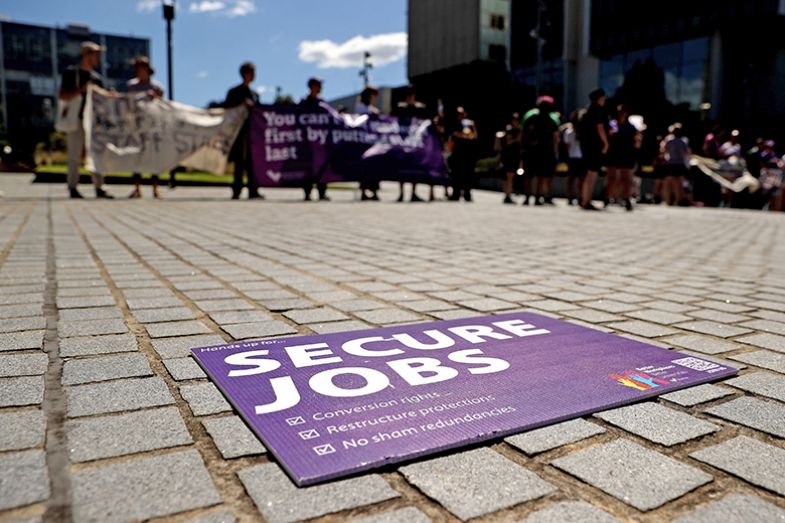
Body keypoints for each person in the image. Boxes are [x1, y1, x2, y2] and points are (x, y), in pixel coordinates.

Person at [58, 41, 114, 199]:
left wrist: (108, 96)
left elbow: (102, 103)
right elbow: (62, 95)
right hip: (75, 119)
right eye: (96, 54)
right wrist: (81, 91)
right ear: (86, 54)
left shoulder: (97, 78)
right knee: (74, 154)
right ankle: (72, 187)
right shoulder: (71, 73)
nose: (98, 57)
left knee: (97, 154)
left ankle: (99, 187)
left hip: (93, 123)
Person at [126, 56, 165, 199]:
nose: (139, 71)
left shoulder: (157, 87)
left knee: (153, 157)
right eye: (137, 68)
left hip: (153, 126)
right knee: (137, 157)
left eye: (142, 68)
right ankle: (137, 188)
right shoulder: (131, 85)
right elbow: (127, 103)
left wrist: (156, 97)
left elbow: (163, 106)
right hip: (137, 126)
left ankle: (155, 189)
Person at [224, 62, 262, 200]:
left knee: (253, 161)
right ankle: (237, 189)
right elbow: (227, 109)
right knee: (239, 160)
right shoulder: (234, 92)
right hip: (238, 131)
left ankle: (253, 190)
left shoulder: (255, 94)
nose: (253, 76)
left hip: (252, 132)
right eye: (251, 72)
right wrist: (241, 105)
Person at [392, 85, 430, 202]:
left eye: (411, 94)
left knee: (415, 168)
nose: (409, 97)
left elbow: (426, 124)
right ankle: (401, 193)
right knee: (402, 169)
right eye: (408, 95)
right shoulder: (400, 108)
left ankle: (413, 193)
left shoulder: (420, 108)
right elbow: (391, 121)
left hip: (415, 143)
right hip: (403, 142)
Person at [521, 96, 560, 205]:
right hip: (545, 151)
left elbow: (522, 133)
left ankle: (527, 196)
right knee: (540, 175)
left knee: (529, 175)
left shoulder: (530, 116)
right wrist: (555, 153)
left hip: (530, 150)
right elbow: (556, 138)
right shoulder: (552, 119)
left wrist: (522, 147)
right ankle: (538, 196)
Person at [605, 105, 641, 211]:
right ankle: (608, 197)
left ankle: (626, 198)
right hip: (613, 154)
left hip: (626, 154)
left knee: (626, 178)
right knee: (611, 177)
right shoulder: (612, 124)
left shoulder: (631, 127)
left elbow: (637, 140)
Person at [578, 88, 609, 210]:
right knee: (592, 174)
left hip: (585, 146)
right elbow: (600, 127)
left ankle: (585, 199)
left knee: (588, 174)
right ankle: (587, 200)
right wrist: (606, 143)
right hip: (595, 146)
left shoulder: (586, 111)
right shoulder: (598, 110)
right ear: (599, 98)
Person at [300, 77, 329, 201]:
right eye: (319, 85)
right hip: (307, 142)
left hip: (320, 142)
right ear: (312, 86)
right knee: (307, 167)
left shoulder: (322, 103)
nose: (321, 88)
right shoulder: (304, 102)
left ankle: (322, 192)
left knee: (322, 167)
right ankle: (307, 192)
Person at [447, 106, 479, 202]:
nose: (459, 116)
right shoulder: (454, 123)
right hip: (457, 153)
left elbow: (474, 136)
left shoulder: (470, 123)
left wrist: (464, 136)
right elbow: (453, 135)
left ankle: (467, 194)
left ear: (465, 114)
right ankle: (455, 193)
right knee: (456, 173)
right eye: (457, 114)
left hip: (468, 153)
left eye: (461, 114)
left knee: (468, 174)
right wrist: (465, 136)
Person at [356, 85, 381, 200]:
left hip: (372, 141)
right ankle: (364, 191)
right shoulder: (360, 105)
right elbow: (363, 118)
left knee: (375, 167)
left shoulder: (371, 107)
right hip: (363, 141)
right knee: (364, 168)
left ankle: (374, 191)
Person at [660, 123, 691, 206]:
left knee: (668, 182)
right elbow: (687, 153)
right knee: (679, 183)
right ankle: (678, 200)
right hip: (680, 164)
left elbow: (663, 151)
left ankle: (667, 200)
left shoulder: (669, 141)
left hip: (671, 164)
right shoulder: (683, 142)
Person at [496, 112, 522, 204]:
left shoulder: (519, 130)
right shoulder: (509, 130)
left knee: (510, 176)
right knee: (508, 176)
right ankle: (507, 194)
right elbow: (508, 142)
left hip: (515, 155)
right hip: (508, 155)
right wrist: (517, 139)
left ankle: (508, 193)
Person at [561, 109, 586, 205]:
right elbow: (568, 146)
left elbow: (567, 147)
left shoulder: (577, 131)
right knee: (575, 179)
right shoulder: (570, 131)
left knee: (575, 179)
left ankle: (575, 196)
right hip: (576, 157)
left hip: (576, 157)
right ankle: (574, 196)